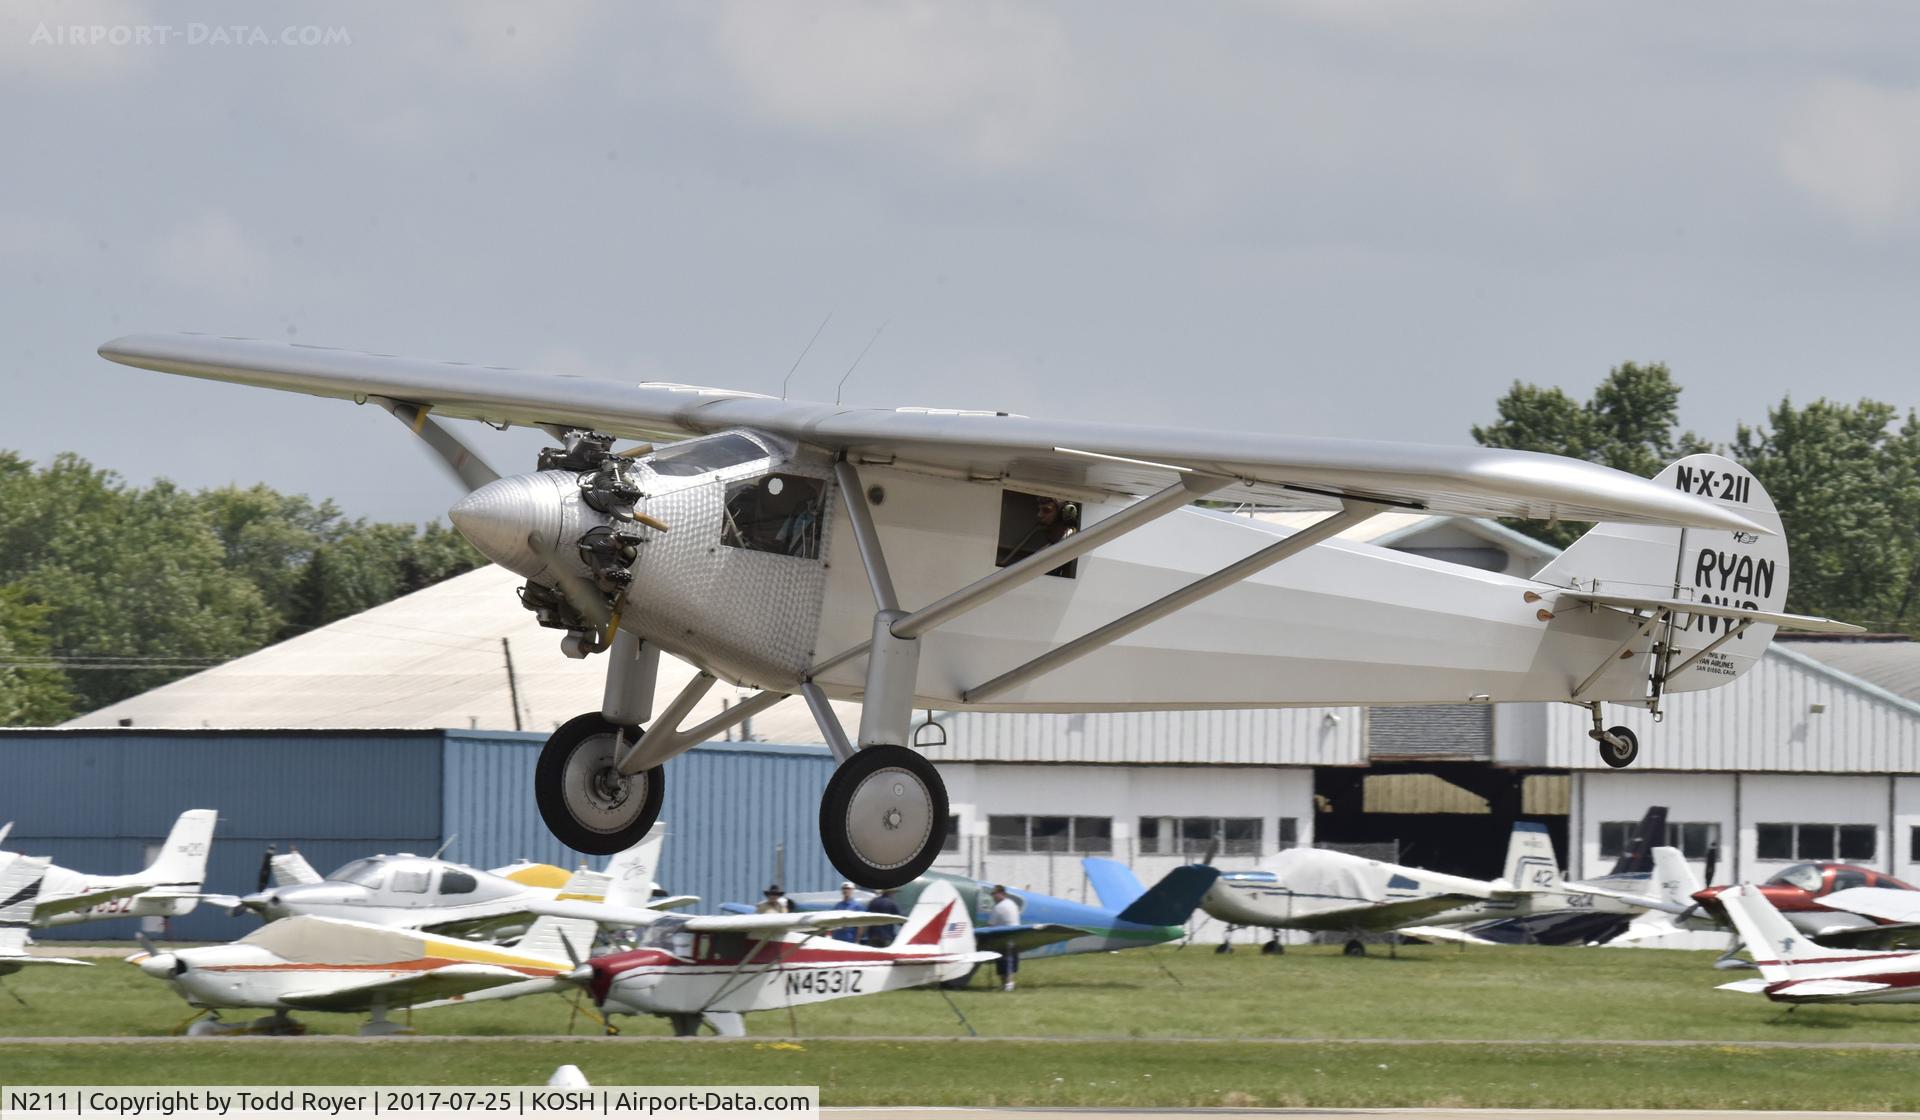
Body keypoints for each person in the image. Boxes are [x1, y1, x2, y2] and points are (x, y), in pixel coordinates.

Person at [990, 884, 1021, 991]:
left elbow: (991, 925)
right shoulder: (1012, 904)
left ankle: (1006, 984)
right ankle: (1009, 984)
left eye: (994, 894)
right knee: (1010, 961)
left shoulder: (998, 907)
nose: (993, 896)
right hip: (1015, 937)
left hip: (1003, 938)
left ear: (1001, 893)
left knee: (1003, 961)